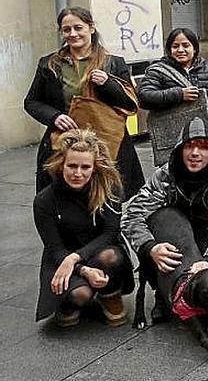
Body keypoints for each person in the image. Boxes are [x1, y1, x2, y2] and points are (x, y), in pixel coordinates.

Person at [122, 116, 208, 322]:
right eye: (189, 146)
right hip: (177, 231)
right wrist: (150, 247)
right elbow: (132, 214)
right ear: (180, 149)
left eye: (203, 147)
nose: (195, 153)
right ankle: (164, 294)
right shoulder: (166, 174)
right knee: (160, 235)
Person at [24, 6, 145, 200]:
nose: (73, 34)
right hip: (63, 145)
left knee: (107, 200)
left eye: (78, 28)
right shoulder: (49, 64)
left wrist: (107, 83)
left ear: (91, 28)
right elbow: (32, 102)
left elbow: (130, 103)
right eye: (66, 30)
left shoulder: (113, 63)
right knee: (67, 201)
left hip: (108, 144)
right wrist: (55, 117)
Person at [34, 129, 134, 327]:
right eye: (72, 166)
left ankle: (110, 293)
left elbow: (110, 232)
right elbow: (54, 248)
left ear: (94, 167)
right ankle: (70, 302)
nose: (78, 173)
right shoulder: (44, 201)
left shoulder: (109, 187)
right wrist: (83, 269)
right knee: (80, 294)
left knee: (111, 257)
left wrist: (76, 258)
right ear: (61, 164)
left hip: (100, 250)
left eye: (85, 167)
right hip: (62, 256)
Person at [138, 27, 208, 113]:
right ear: (169, 50)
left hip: (203, 124)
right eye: (175, 46)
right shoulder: (158, 71)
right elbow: (144, 97)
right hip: (168, 124)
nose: (180, 50)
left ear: (194, 49)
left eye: (186, 46)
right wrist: (179, 95)